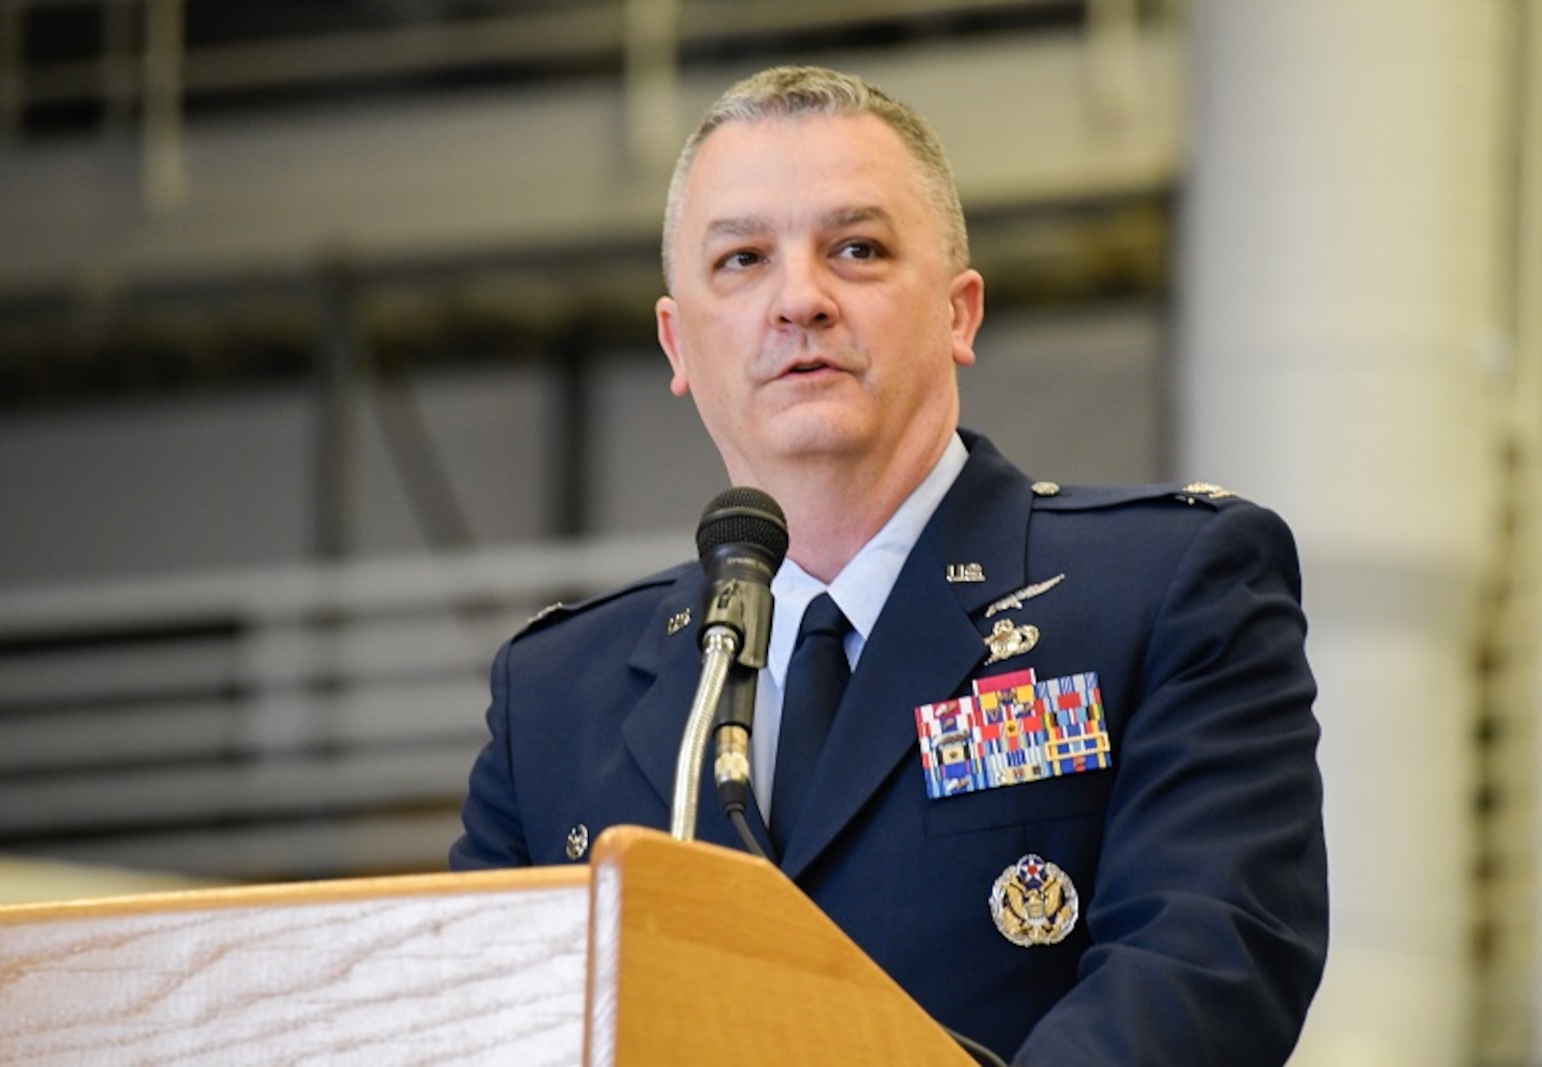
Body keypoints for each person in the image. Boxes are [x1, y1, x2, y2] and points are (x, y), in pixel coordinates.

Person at [451, 65, 1326, 1064]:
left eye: (856, 249)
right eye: (741, 259)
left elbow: (1204, 965)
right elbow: (479, 1030)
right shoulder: (560, 696)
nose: (800, 300)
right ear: (676, 340)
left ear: (959, 313)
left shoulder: (1164, 590)